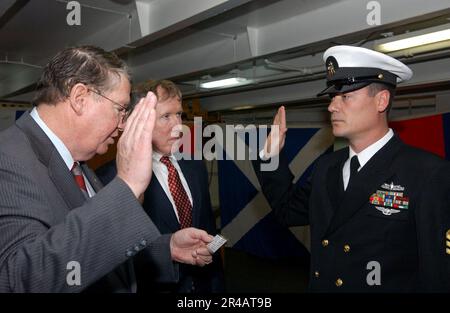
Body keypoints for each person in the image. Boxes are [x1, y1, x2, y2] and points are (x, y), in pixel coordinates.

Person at [0, 46, 214, 293]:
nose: (122, 125)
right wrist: (128, 186)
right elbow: (19, 280)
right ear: (80, 98)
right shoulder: (8, 159)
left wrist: (167, 249)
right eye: (120, 109)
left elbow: (93, 249)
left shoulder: (79, 165)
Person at [254, 45, 450, 292]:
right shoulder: (327, 167)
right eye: (332, 97)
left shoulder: (427, 173)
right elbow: (286, 211)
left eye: (345, 96)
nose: (332, 107)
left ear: (381, 100)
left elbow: (438, 274)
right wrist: (271, 157)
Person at [97, 80, 225, 293]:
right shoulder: (109, 179)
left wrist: (217, 283)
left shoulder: (195, 165)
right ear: (140, 120)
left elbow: (209, 230)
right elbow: (115, 255)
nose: (178, 126)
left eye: (179, 115)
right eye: (166, 116)